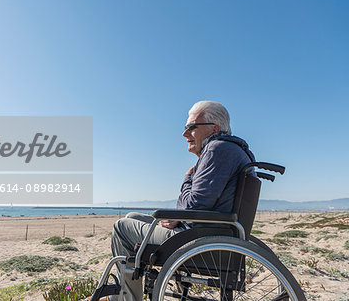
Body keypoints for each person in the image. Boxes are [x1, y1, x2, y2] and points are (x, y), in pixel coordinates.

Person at [93, 101, 255, 301]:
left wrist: (187, 179)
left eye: (191, 127)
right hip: (216, 232)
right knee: (132, 216)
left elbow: (195, 203)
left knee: (121, 227)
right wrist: (179, 216)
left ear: (215, 128)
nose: (184, 134)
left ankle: (126, 298)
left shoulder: (217, 149)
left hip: (200, 240)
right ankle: (126, 292)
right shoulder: (233, 150)